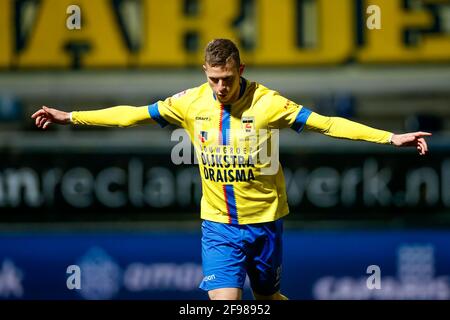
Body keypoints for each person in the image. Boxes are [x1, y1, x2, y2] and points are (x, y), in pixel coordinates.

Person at [31, 39, 431, 300]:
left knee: (268, 298)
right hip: (218, 225)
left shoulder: (269, 103)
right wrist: (71, 117)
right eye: (212, 79)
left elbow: (327, 123)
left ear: (241, 69)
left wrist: (388, 137)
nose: (219, 88)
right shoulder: (191, 102)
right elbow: (130, 116)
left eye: (225, 79)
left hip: (266, 223)